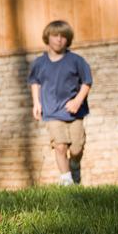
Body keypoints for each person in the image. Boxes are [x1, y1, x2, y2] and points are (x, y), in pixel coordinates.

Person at [29, 20, 92, 186]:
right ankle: (66, 180)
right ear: (47, 38)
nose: (59, 40)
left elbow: (87, 82)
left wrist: (78, 101)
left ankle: (75, 164)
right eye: (55, 36)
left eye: (63, 36)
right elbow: (35, 82)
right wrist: (36, 103)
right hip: (52, 112)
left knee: (76, 148)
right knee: (60, 146)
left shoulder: (76, 61)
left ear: (68, 39)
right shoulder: (39, 63)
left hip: (75, 112)